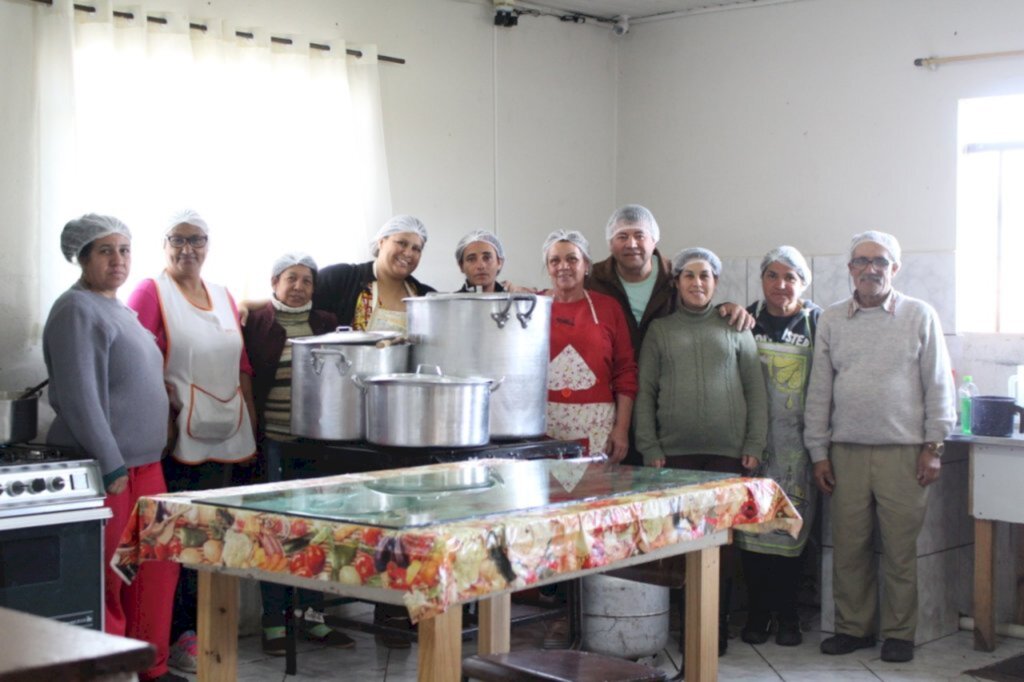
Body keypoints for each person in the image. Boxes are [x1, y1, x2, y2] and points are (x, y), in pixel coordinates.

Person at [43, 214, 183, 682]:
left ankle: (152, 669)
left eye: (124, 250)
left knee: (156, 575)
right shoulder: (75, 310)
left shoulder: (119, 309)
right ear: (81, 257)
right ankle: (114, 673)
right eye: (105, 251)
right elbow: (80, 397)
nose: (118, 260)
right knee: (112, 578)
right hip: (110, 471)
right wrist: (110, 464)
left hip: (147, 468)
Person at [804, 231, 955, 664]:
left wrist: (934, 446)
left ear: (895, 268)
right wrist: (818, 452)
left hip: (904, 454)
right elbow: (820, 391)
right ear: (849, 268)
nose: (871, 268)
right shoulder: (832, 319)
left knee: (899, 550)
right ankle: (853, 629)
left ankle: (899, 633)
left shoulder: (919, 315)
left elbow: (938, 384)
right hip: (845, 452)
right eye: (861, 261)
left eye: (881, 261)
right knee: (849, 548)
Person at [126, 209, 258, 674]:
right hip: (173, 439)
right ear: (163, 245)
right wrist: (159, 416)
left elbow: (241, 367)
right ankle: (173, 637)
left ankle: (201, 632)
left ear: (208, 245)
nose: (188, 249)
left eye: (196, 240)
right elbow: (136, 361)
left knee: (211, 538)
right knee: (176, 544)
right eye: (177, 240)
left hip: (226, 432)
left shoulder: (222, 296)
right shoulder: (150, 291)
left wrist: (252, 428)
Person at [633, 246, 768, 655]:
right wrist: (649, 445)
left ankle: (716, 624)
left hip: (727, 455)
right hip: (673, 457)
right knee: (678, 543)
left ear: (715, 282)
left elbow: (755, 390)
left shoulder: (736, 326)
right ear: (677, 283)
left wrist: (754, 443)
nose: (697, 283)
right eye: (689, 276)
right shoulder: (661, 331)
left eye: (705, 276)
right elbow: (645, 392)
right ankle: (686, 622)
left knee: (722, 548)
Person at [241, 252, 354, 654]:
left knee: (316, 532)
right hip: (272, 442)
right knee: (274, 532)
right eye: (291, 279)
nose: (299, 287)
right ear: (274, 282)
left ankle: (313, 618)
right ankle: (274, 623)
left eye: (307, 280)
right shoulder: (257, 322)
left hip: (317, 446)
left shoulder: (323, 322)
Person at [586, 204, 754, 464]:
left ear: (654, 241)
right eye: (622, 236)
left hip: (666, 418)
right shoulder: (593, 281)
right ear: (610, 243)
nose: (632, 243)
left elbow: (699, 308)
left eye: (640, 235)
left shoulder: (673, 275)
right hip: (610, 406)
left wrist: (726, 308)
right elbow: (564, 298)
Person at [732, 246, 822, 647]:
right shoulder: (744, 320)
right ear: (762, 279)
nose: (781, 284)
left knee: (790, 533)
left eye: (791, 277)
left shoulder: (817, 323)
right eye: (773, 275)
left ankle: (788, 615)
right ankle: (757, 613)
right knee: (752, 533)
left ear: (803, 282)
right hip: (754, 446)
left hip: (799, 450)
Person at [543, 229, 637, 463]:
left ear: (586, 265)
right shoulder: (534, 308)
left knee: (593, 497)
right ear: (548, 268)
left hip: (597, 428)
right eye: (555, 260)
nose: (563, 266)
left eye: (572, 259)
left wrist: (622, 429)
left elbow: (625, 372)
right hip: (542, 427)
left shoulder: (608, 308)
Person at [313, 215, 435, 333]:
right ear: (381, 242)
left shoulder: (426, 297)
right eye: (402, 243)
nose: (408, 253)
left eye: (416, 249)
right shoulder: (340, 278)